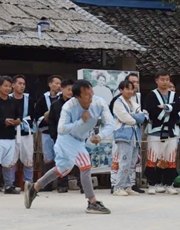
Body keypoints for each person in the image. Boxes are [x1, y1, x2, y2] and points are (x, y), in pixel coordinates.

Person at [24, 80, 114, 214]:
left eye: (91, 92)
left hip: (80, 139)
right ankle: (92, 202)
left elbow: (110, 124)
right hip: (67, 139)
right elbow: (61, 129)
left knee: (63, 169)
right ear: (77, 97)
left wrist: (100, 136)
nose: (91, 96)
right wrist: (80, 121)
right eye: (86, 94)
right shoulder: (69, 107)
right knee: (85, 164)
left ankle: (34, 187)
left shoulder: (99, 102)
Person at [144, 70, 180, 195]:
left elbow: (179, 110)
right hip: (155, 130)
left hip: (172, 131)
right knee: (153, 157)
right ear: (157, 80)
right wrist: (170, 112)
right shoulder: (151, 95)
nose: (165, 82)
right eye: (162, 79)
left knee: (170, 157)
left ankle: (168, 183)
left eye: (167, 79)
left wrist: (166, 108)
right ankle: (152, 183)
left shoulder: (174, 95)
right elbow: (151, 111)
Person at [108, 73, 144, 194]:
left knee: (132, 162)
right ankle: (118, 187)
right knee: (124, 161)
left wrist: (135, 117)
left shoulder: (134, 103)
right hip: (124, 135)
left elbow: (144, 117)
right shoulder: (118, 102)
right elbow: (126, 118)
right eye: (127, 89)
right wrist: (136, 118)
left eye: (131, 89)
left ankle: (127, 186)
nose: (130, 91)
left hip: (135, 135)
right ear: (121, 90)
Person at [34, 75, 62, 190]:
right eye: (56, 83)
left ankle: (61, 185)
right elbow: (36, 115)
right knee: (48, 158)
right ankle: (47, 185)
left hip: (60, 132)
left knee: (60, 158)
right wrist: (45, 119)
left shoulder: (63, 99)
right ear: (50, 84)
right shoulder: (42, 99)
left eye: (60, 83)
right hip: (46, 132)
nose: (58, 86)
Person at [48, 79, 75, 193]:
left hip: (74, 137)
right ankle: (62, 184)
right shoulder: (55, 105)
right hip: (60, 137)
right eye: (68, 89)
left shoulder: (76, 104)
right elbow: (52, 122)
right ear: (62, 89)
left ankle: (82, 184)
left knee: (78, 160)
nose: (70, 92)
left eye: (72, 90)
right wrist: (54, 136)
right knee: (61, 160)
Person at [9, 75, 35, 185]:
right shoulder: (8, 98)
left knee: (28, 158)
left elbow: (33, 115)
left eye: (23, 84)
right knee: (10, 159)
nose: (22, 86)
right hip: (11, 133)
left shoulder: (29, 99)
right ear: (13, 85)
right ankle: (10, 183)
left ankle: (28, 183)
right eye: (19, 83)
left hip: (26, 132)